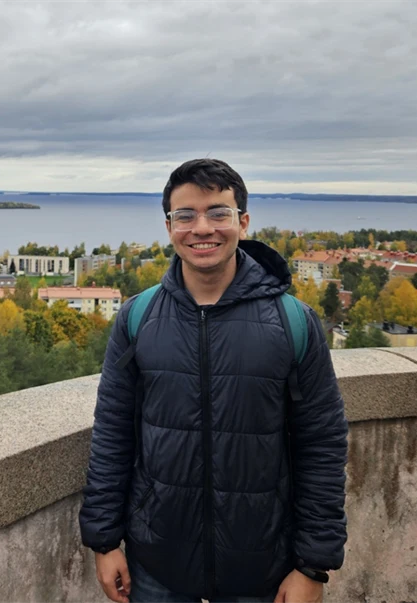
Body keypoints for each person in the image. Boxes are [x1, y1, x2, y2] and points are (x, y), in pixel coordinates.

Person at [79, 159, 348, 603]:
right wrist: (105, 542)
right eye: (185, 215)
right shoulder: (138, 317)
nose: (202, 228)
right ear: (169, 227)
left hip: (263, 567)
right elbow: (112, 433)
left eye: (217, 213)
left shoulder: (292, 322)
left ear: (242, 221)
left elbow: (321, 444)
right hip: (157, 564)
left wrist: (312, 566)